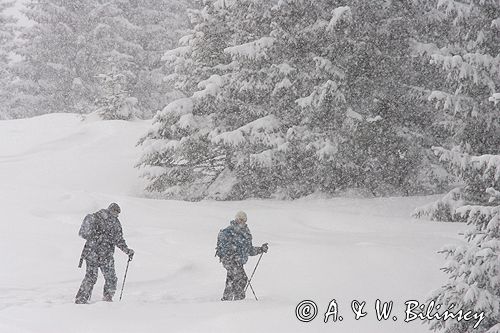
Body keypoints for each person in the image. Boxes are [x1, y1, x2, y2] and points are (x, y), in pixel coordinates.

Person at [75, 203, 134, 304]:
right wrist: (126, 250)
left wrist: (127, 250)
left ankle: (87, 298)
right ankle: (102, 298)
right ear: (111, 210)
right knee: (102, 277)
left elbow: (118, 239)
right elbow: (118, 239)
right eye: (116, 213)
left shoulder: (107, 220)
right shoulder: (105, 220)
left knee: (99, 277)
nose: (116, 215)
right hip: (100, 254)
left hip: (95, 253)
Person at [215, 211, 268, 301]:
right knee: (240, 278)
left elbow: (249, 250)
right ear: (236, 219)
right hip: (230, 260)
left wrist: (261, 249)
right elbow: (225, 247)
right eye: (239, 219)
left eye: (243, 220)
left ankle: (229, 299)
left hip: (237, 261)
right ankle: (237, 299)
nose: (241, 221)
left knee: (233, 279)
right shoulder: (230, 231)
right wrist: (232, 255)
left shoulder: (245, 233)